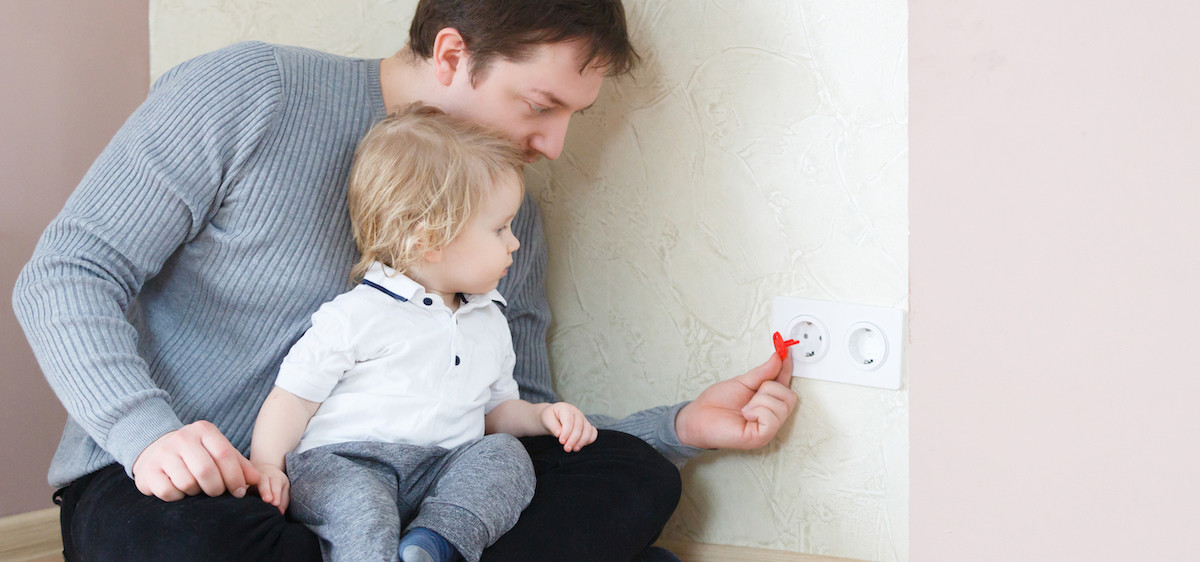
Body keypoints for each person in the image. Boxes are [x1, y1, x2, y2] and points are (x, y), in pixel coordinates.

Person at [12, 0, 798, 560]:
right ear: (452, 54)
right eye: (540, 105)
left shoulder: (510, 222)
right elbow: (68, 272)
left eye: (573, 118)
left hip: (421, 487)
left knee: (628, 479)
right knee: (173, 542)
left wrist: (676, 429)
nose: (554, 145)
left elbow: (505, 406)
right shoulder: (249, 92)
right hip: (205, 487)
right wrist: (148, 434)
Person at [249, 104, 598, 562]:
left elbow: (495, 411)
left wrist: (543, 416)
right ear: (428, 241)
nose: (514, 242)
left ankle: (434, 544)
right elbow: (292, 398)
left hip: (440, 468)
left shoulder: (489, 319)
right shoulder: (357, 314)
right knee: (362, 510)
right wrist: (266, 466)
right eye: (499, 229)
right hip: (346, 464)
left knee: (507, 457)